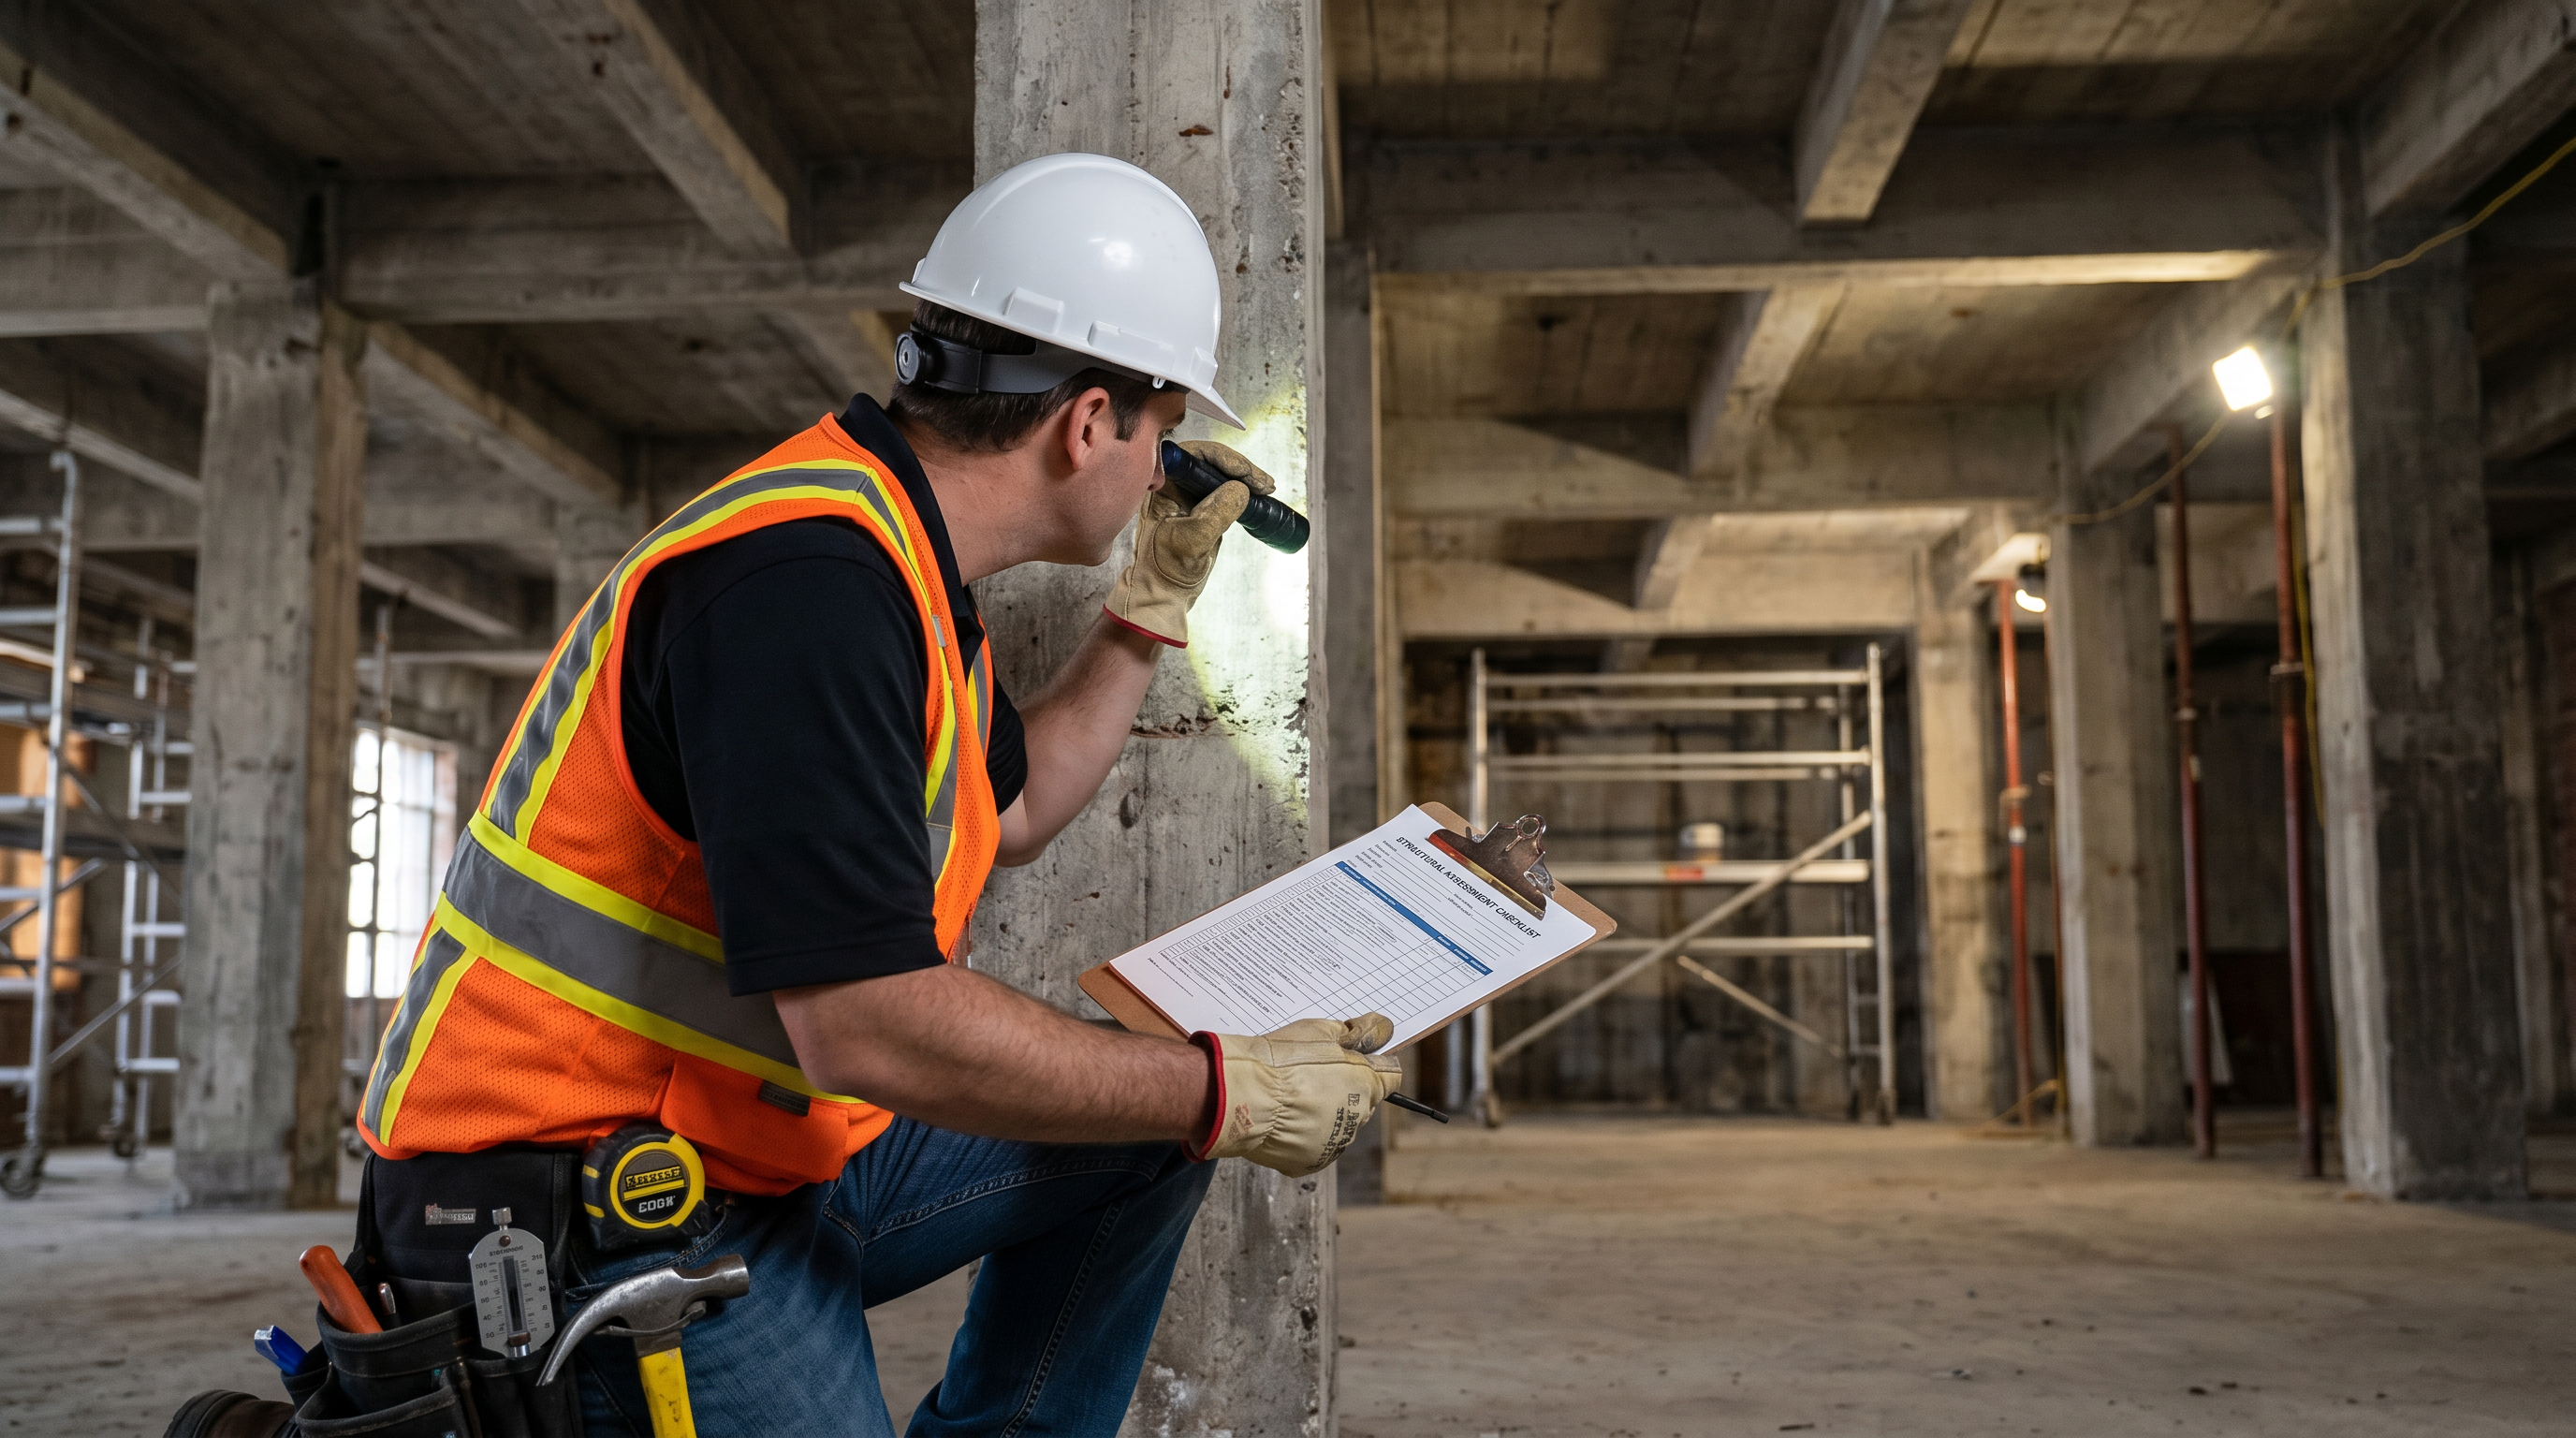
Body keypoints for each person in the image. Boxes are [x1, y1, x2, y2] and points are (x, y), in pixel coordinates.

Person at [352, 153, 1401, 1436]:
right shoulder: (804, 588)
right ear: (1089, 423)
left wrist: (1149, 610)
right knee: (1179, 1100)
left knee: (1142, 1131)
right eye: (1161, 428)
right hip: (583, 1201)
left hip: (744, 1144)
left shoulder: (903, 568)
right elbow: (869, 1027)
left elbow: (1016, 810)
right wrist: (1219, 1086)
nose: (1157, 469)